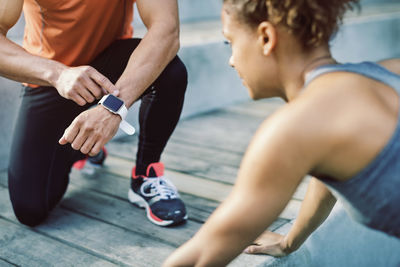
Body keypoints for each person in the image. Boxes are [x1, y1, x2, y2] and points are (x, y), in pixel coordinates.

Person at [163, 0, 400, 265]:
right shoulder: (386, 72)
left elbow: (202, 254)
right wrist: (290, 241)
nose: (231, 61)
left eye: (230, 42)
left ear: (266, 37)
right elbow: (328, 173)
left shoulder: (293, 128)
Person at [2, 0, 188, 227]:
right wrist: (58, 74)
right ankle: (84, 147)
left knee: (170, 70)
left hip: (110, 68)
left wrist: (114, 105)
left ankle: (146, 174)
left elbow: (166, 30)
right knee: (30, 209)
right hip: (51, 75)